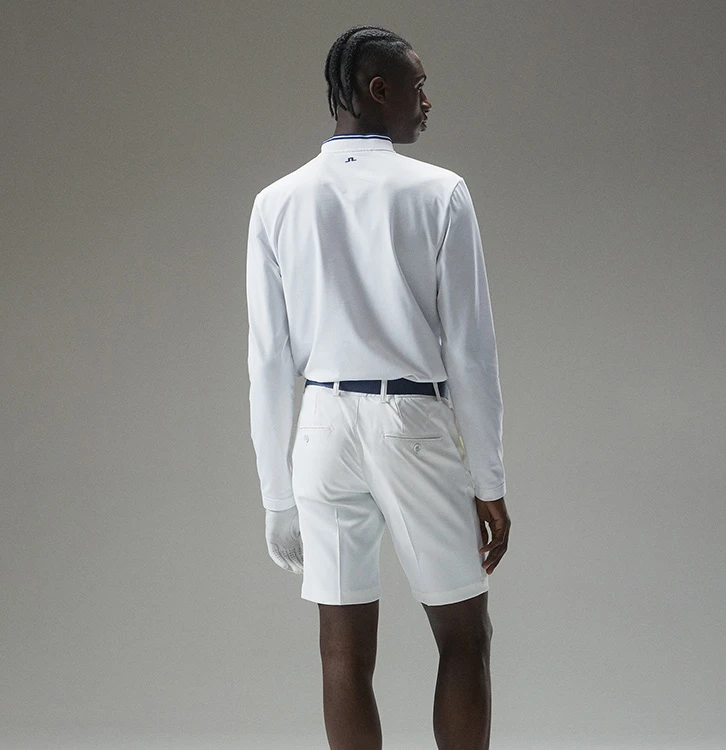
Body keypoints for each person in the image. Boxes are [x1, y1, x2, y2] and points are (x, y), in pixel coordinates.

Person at [245, 24, 511, 750]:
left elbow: (267, 362)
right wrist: (489, 479)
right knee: (464, 635)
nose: (427, 102)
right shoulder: (440, 192)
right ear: (377, 89)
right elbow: (471, 352)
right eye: (418, 87)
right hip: (411, 422)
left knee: (342, 651)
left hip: (321, 426)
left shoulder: (277, 201)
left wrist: (277, 495)